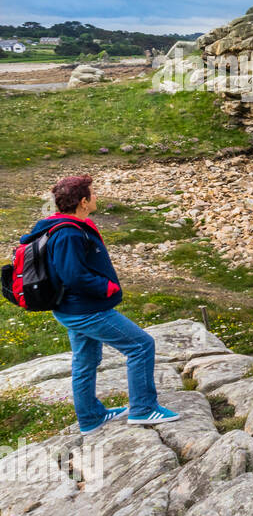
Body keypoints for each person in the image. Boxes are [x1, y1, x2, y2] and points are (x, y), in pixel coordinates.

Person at [21, 176, 180, 436]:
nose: (96, 197)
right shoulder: (69, 233)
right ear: (83, 201)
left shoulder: (62, 226)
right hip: (85, 310)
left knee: (85, 361)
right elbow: (73, 275)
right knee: (141, 345)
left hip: (72, 308)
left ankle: (91, 418)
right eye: (93, 194)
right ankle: (143, 408)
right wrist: (108, 287)